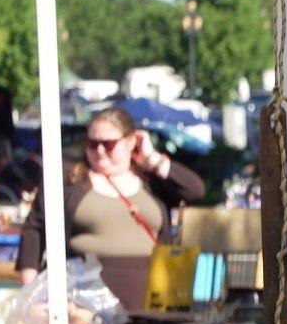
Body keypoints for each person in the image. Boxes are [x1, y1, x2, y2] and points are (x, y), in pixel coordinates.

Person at [17, 107, 206, 310]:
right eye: (92, 143)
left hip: (149, 294)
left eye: (108, 144)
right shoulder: (68, 178)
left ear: (131, 141)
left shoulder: (151, 180)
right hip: (83, 298)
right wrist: (31, 293)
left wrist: (152, 159)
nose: (99, 150)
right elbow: (35, 229)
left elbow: (195, 191)